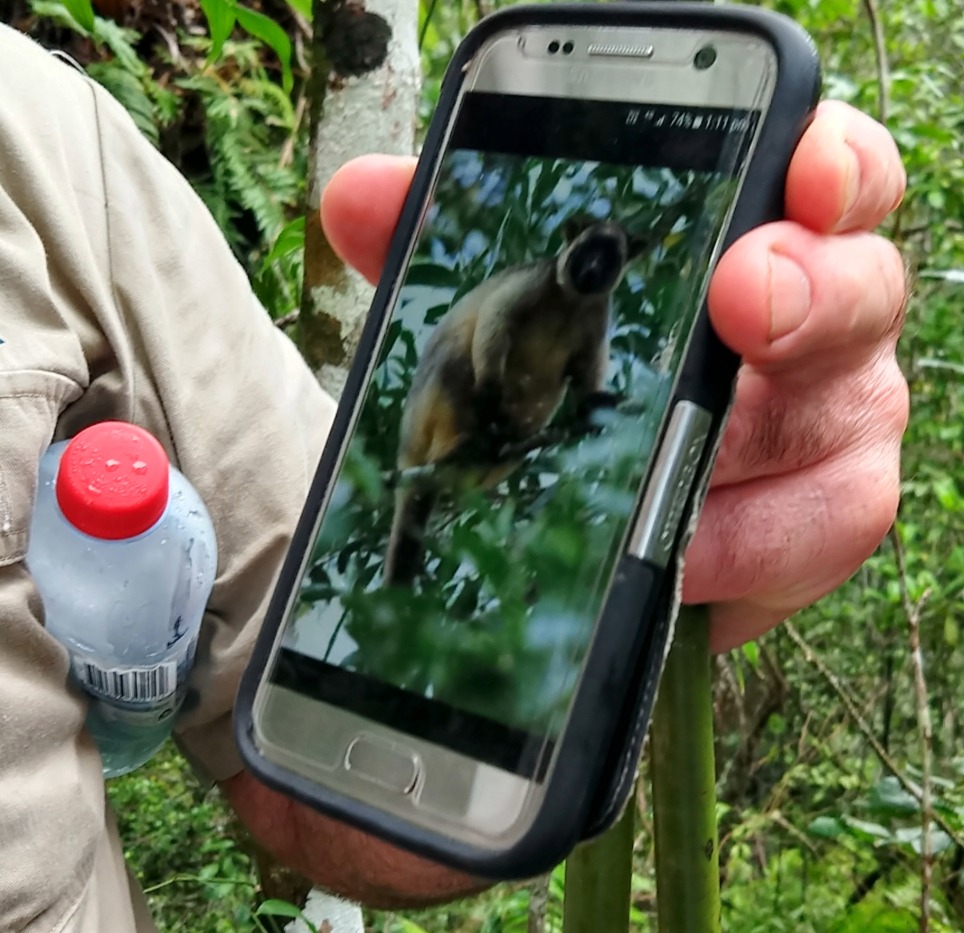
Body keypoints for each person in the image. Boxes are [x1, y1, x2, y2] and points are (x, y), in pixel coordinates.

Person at [0, 19, 909, 933]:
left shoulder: (46, 147)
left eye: (603, 264)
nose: (587, 272)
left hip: (490, 440)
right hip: (451, 409)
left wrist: (633, 618)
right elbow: (483, 350)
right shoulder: (522, 293)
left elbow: (297, 776)